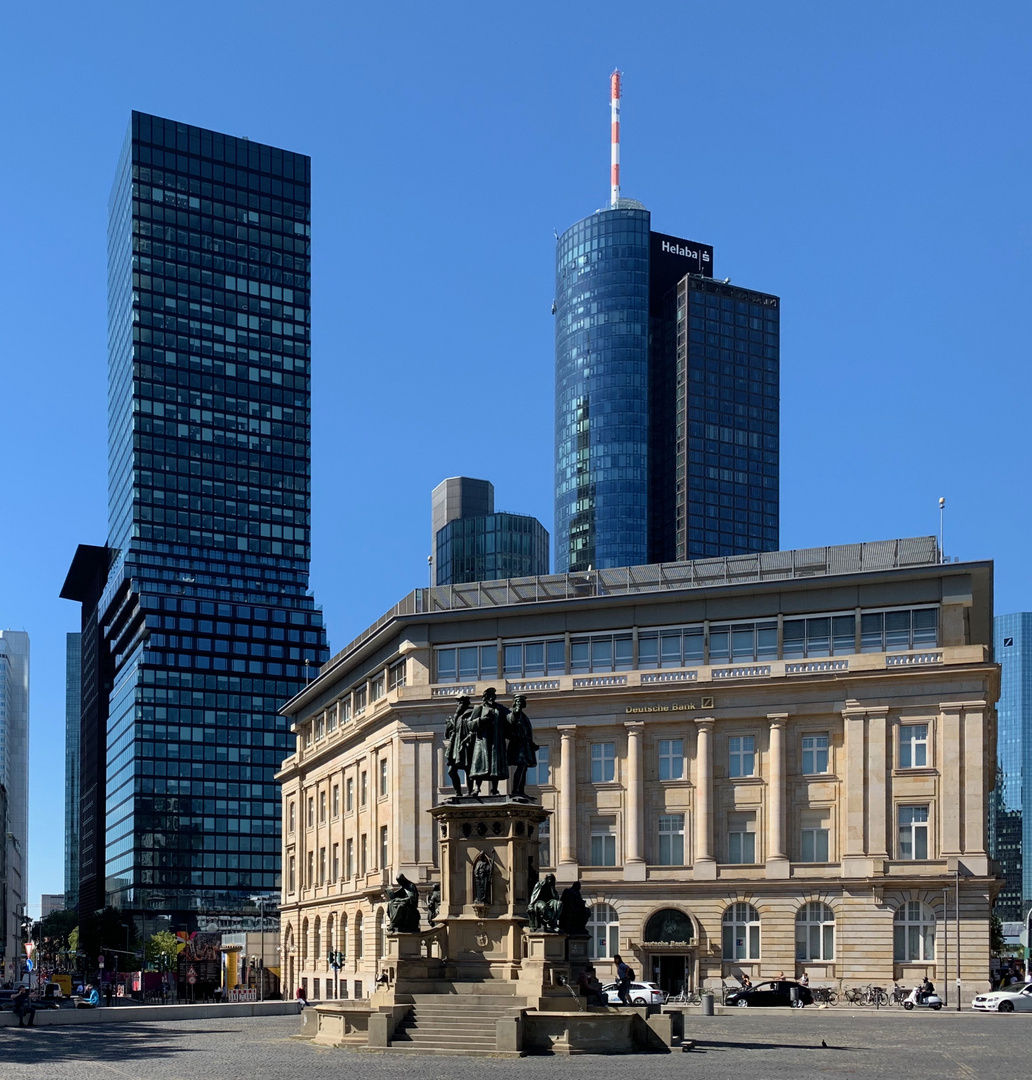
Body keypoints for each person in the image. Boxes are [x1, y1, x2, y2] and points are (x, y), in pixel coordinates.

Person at [468, 688, 509, 795]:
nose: (492, 698)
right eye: (489, 696)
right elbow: (470, 725)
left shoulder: (501, 709)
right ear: (485, 698)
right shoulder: (479, 709)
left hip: (496, 741)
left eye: (493, 696)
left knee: (495, 766)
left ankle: (494, 789)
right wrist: (482, 720)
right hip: (482, 742)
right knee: (480, 765)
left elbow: (510, 719)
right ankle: (477, 788)